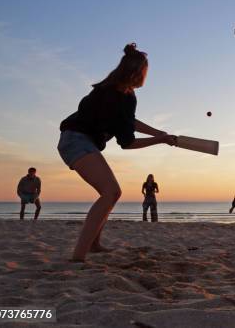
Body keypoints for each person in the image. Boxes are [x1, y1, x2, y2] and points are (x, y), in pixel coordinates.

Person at [58, 43, 177, 262]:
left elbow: (128, 122)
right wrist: (158, 140)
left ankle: (94, 245)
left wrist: (158, 132)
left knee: (112, 192)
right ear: (138, 72)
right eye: (146, 71)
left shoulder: (115, 91)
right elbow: (128, 143)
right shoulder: (117, 96)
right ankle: (78, 257)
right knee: (110, 192)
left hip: (79, 140)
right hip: (75, 140)